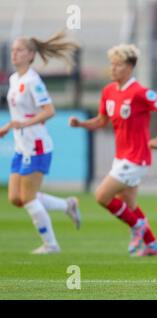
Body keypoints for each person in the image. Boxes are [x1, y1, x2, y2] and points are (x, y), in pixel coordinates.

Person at [69, 44, 157, 256]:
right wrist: (81, 124)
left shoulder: (139, 92)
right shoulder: (108, 91)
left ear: (129, 67)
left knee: (101, 196)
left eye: (118, 65)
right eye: (112, 64)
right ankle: (153, 246)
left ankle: (137, 227)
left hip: (137, 158)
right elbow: (101, 121)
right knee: (130, 204)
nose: (113, 69)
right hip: (121, 157)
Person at [0, 32, 82, 254]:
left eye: (19, 50)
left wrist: (23, 125)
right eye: (13, 50)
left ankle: (51, 245)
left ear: (31, 55)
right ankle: (68, 205)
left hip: (36, 145)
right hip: (21, 146)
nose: (14, 53)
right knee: (16, 198)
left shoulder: (33, 81)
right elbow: (21, 114)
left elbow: (49, 111)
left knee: (28, 198)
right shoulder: (14, 79)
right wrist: (9, 126)